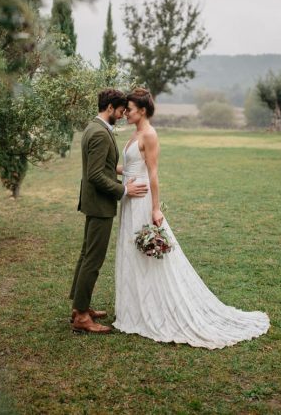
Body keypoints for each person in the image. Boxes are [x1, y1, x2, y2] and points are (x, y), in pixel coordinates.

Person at [113, 87, 270, 348]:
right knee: (132, 251)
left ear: (142, 110)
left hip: (142, 201)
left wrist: (155, 209)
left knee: (147, 252)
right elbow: (130, 168)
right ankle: (136, 304)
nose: (125, 112)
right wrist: (111, 169)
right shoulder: (135, 133)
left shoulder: (149, 134)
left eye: (129, 108)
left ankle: (155, 306)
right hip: (130, 198)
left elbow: (153, 174)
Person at [70, 88, 148, 334]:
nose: (123, 114)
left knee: (86, 255)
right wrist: (123, 191)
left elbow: (101, 166)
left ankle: (79, 307)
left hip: (93, 202)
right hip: (100, 204)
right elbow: (94, 175)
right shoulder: (101, 134)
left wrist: (122, 171)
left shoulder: (94, 128)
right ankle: (82, 316)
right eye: (121, 110)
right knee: (92, 259)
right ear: (111, 107)